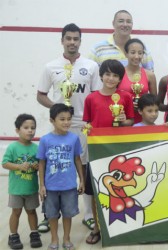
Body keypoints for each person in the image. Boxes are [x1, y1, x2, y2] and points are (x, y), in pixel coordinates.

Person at [36, 23, 102, 233]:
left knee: (84, 169)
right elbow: (41, 95)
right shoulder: (50, 67)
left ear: (80, 41)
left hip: (83, 127)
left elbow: (96, 96)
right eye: (68, 38)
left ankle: (89, 216)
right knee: (54, 169)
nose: (72, 42)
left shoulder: (91, 66)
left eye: (76, 39)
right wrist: (56, 108)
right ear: (62, 40)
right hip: (59, 127)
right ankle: (49, 215)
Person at [83, 59, 134, 244]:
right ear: (101, 75)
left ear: (120, 78)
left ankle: (122, 226)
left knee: (119, 190)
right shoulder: (91, 98)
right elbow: (87, 122)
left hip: (118, 151)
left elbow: (130, 121)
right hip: (97, 151)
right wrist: (87, 128)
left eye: (115, 75)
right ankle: (97, 228)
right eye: (108, 74)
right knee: (96, 191)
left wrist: (123, 120)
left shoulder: (126, 97)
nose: (111, 78)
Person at [37, 104, 85, 250]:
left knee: (68, 213)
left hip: (69, 185)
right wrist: (41, 185)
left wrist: (81, 180)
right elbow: (41, 163)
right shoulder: (45, 140)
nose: (66, 122)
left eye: (69, 119)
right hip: (50, 186)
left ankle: (66, 238)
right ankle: (54, 239)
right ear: (52, 120)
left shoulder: (74, 138)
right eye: (62, 119)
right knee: (51, 214)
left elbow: (77, 159)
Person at [2, 114, 42, 249]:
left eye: (33, 128)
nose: (30, 130)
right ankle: (13, 235)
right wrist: (18, 166)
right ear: (17, 130)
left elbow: (40, 164)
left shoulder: (36, 148)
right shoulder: (13, 147)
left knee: (32, 211)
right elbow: (5, 163)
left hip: (31, 188)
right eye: (26, 127)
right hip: (16, 189)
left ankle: (34, 233)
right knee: (16, 212)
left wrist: (37, 166)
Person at [89, 9, 154, 70]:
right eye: (121, 21)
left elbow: (150, 74)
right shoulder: (97, 49)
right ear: (113, 23)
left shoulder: (142, 48)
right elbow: (91, 76)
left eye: (128, 22)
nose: (125, 24)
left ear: (132, 24)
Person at [118, 38, 157, 124]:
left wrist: (141, 106)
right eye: (133, 52)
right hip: (124, 121)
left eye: (140, 53)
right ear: (126, 53)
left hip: (144, 122)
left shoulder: (149, 75)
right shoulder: (119, 74)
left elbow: (155, 102)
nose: (137, 56)